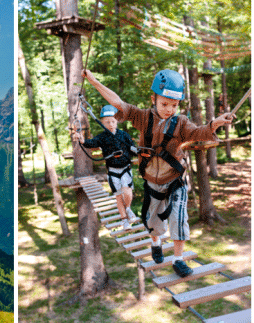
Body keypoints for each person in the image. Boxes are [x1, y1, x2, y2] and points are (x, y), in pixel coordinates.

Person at [82, 69, 235, 277]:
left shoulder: (180, 123)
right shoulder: (142, 117)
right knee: (153, 221)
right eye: (164, 104)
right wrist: (94, 81)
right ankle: (155, 242)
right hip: (153, 182)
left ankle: (178, 259)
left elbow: (199, 132)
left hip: (174, 180)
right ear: (153, 98)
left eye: (174, 105)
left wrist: (215, 123)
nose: (169, 109)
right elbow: (118, 104)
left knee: (178, 217)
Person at [73, 104, 138, 229]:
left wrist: (141, 152)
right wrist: (81, 140)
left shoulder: (124, 135)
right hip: (113, 171)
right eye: (107, 122)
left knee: (127, 190)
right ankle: (124, 220)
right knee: (119, 196)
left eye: (113, 121)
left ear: (117, 121)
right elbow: (90, 143)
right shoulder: (102, 138)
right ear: (102, 123)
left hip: (125, 168)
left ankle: (128, 208)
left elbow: (132, 147)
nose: (111, 124)